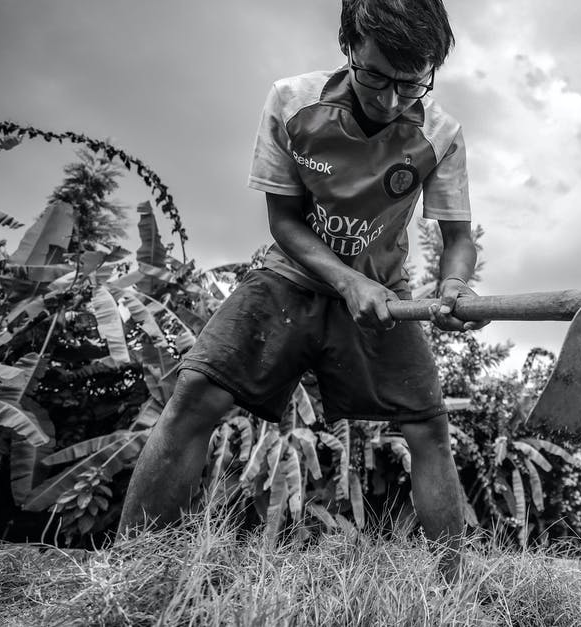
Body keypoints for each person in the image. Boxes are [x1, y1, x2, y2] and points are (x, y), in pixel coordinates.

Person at [119, 0, 480, 580]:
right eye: (375, 77)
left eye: (410, 84)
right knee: (195, 395)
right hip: (288, 275)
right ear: (349, 47)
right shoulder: (292, 102)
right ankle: (129, 572)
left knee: (429, 430)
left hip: (385, 295)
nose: (390, 101)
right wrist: (345, 278)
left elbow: (457, 236)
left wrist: (455, 286)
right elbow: (284, 222)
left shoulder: (441, 134)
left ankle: (455, 592)